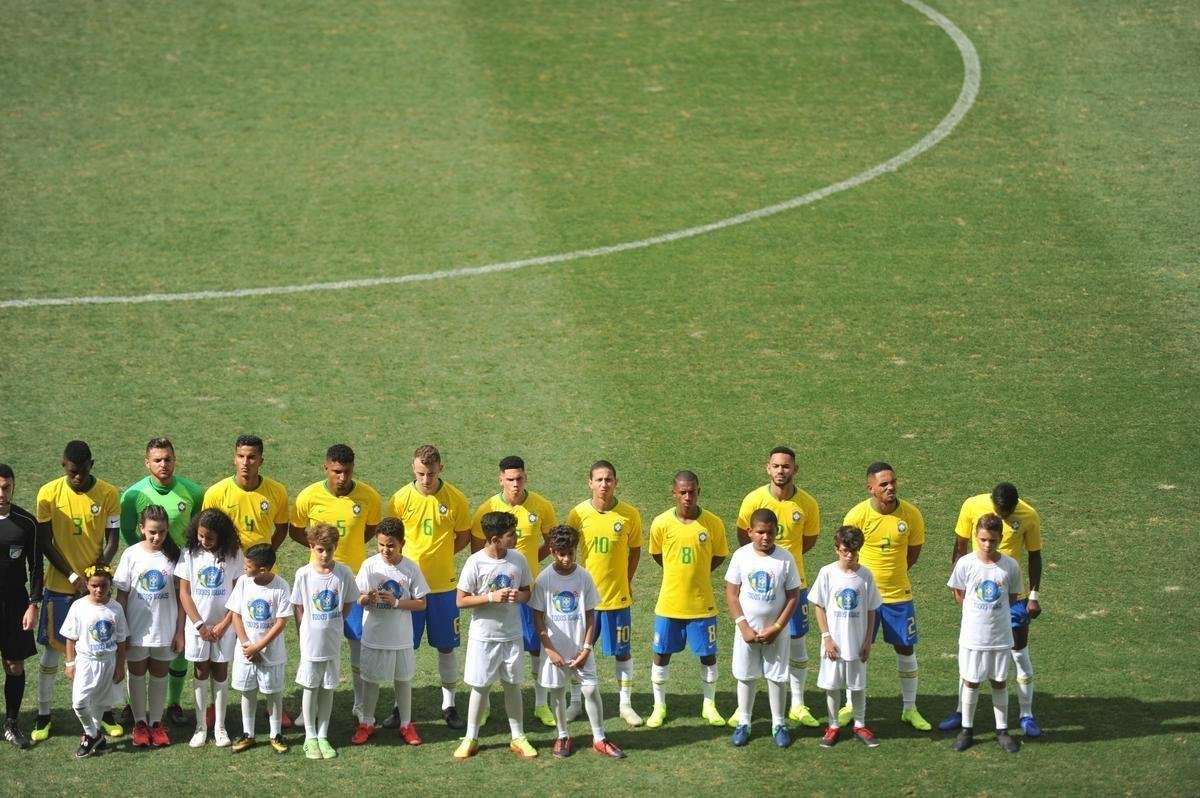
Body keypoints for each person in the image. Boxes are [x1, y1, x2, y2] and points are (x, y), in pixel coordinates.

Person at [940, 483, 1044, 738]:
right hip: (978, 597)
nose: (1002, 518)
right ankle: (960, 712)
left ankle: (1026, 714)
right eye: (999, 512)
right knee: (970, 655)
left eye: (1007, 515)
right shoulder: (972, 505)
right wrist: (958, 585)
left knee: (1018, 653)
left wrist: (1033, 596)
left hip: (1013, 595)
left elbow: (1035, 555)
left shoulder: (1028, 515)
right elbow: (960, 544)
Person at [34, 441, 121, 743]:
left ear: (91, 465)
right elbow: (45, 542)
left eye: (83, 472)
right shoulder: (48, 493)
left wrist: (96, 572)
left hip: (95, 589)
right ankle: (43, 715)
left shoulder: (109, 493)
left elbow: (112, 539)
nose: (78, 478)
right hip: (59, 587)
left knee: (103, 650)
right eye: (73, 472)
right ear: (63, 466)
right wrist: (74, 576)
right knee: (51, 653)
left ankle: (105, 713)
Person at [290, 443, 381, 726]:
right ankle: (308, 709)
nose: (342, 478)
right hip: (317, 586)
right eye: (336, 472)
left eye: (347, 472)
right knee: (312, 650)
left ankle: (359, 704)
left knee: (357, 647)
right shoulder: (309, 496)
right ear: (326, 468)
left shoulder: (368, 496)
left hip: (352, 583)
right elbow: (297, 530)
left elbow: (369, 530)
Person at [119, 437, 204, 727]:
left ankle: (174, 702)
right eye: (157, 460)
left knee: (177, 639)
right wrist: (151, 554)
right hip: (149, 574)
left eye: (168, 459)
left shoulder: (193, 492)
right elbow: (129, 533)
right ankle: (134, 707)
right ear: (147, 462)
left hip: (181, 575)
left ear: (175, 459)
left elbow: (198, 533)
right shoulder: (133, 495)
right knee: (140, 643)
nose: (163, 465)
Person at [736, 446, 822, 727]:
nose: (781, 471)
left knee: (797, 643)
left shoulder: (807, 504)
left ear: (795, 469)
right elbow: (742, 538)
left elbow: (808, 541)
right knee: (750, 646)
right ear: (768, 468)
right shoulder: (753, 500)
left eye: (786, 466)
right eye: (776, 466)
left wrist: (785, 568)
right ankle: (745, 711)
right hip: (757, 589)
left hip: (794, 585)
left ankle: (797, 703)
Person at [841, 462, 930, 730]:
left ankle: (910, 708)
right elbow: (847, 554)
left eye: (892, 482)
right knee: (856, 651)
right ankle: (850, 706)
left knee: (905, 647)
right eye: (883, 484)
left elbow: (913, 552)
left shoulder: (911, 515)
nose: (890, 487)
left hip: (898, 595)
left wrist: (895, 574)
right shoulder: (857, 516)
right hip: (864, 597)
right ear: (871, 488)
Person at [387, 444, 471, 730]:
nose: (426, 479)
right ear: (413, 468)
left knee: (446, 647)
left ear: (440, 470)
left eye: (431, 473)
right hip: (408, 589)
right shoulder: (399, 500)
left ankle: (449, 705)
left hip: (443, 587)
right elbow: (392, 538)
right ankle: (399, 708)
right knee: (404, 648)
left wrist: (443, 556)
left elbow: (462, 536)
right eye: (421, 473)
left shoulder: (455, 499)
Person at [470, 455, 556, 727]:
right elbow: (478, 549)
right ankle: (483, 706)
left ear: (525, 477)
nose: (515, 484)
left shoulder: (541, 506)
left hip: (528, 591)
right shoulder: (487, 509)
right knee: (490, 649)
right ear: (501, 480)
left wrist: (528, 565)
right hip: (494, 595)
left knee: (535, 646)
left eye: (519, 478)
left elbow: (550, 542)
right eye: (510, 480)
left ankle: (541, 705)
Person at [530, 524, 625, 759]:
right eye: (562, 554)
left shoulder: (584, 576)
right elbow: (538, 618)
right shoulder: (544, 580)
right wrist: (550, 650)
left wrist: (586, 648)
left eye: (571, 553)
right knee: (558, 693)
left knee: (591, 690)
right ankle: (562, 736)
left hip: (581, 648)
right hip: (555, 651)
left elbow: (591, 614)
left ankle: (599, 738)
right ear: (552, 552)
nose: (566, 558)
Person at [646, 470, 730, 729]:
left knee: (708, 655)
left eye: (692, 491)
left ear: (698, 492)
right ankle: (659, 706)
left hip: (702, 605)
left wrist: (699, 574)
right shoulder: (661, 523)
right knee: (661, 654)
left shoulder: (712, 524)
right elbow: (657, 554)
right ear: (674, 493)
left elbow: (719, 555)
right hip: (669, 604)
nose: (687, 496)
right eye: (682, 492)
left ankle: (709, 704)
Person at [452, 511, 536, 761]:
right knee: (480, 687)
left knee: (513, 686)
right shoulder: (475, 563)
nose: (517, 537)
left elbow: (526, 592)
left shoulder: (518, 560)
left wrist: (517, 597)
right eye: (512, 534)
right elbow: (461, 600)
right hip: (484, 638)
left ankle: (518, 736)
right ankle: (471, 737)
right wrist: (491, 597)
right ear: (496, 539)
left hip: (511, 636)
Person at [565, 460, 643, 726]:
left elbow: (635, 550)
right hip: (585, 601)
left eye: (608, 479)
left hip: (617, 598)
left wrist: (627, 580)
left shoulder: (629, 515)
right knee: (578, 651)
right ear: (590, 483)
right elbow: (568, 553)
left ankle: (625, 704)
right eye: (598, 480)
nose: (604, 485)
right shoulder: (577, 514)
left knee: (623, 651)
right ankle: (575, 702)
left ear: (616, 482)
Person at [724, 508, 801, 748]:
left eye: (770, 532)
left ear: (776, 531)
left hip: (776, 632)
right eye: (760, 532)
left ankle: (779, 723)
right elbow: (732, 593)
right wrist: (743, 626)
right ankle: (744, 722)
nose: (765, 537)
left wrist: (777, 627)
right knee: (746, 676)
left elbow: (793, 596)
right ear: (750, 532)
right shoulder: (741, 556)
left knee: (777, 676)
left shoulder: (785, 558)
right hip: (747, 632)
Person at [946, 514, 1023, 753]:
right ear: (975, 538)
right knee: (971, 680)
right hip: (973, 636)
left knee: (999, 681)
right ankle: (967, 729)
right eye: (982, 539)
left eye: (992, 540)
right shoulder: (966, 564)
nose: (987, 544)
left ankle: (1002, 730)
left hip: (1000, 637)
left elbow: (1012, 597)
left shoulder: (1010, 565)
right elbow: (959, 594)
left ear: (1000, 538)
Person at [351, 517, 429, 747]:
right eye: (382, 544)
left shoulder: (410, 568)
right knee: (370, 680)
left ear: (402, 543)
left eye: (391, 545)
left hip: (401, 637)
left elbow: (422, 603)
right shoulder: (369, 565)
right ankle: (366, 723)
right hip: (374, 635)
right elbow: (359, 598)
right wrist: (369, 598)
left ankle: (406, 724)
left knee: (403, 680)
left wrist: (396, 603)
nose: (386, 550)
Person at [114, 505, 183, 748]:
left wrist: (180, 631)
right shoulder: (131, 555)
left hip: (164, 630)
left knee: (159, 675)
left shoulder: (177, 555)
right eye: (152, 531)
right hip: (136, 629)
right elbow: (121, 596)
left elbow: (183, 597)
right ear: (141, 528)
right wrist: (122, 631)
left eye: (162, 532)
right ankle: (140, 723)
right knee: (136, 674)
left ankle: (156, 723)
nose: (157, 537)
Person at [809, 525, 882, 749]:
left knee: (857, 685)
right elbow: (819, 606)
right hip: (834, 643)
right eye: (844, 551)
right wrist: (826, 637)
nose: (849, 556)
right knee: (832, 685)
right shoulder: (827, 573)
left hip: (857, 641)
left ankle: (859, 724)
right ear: (836, 549)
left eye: (853, 551)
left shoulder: (865, 575)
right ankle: (832, 725)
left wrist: (868, 640)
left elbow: (871, 609)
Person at [292, 522, 360, 760]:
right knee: (311, 687)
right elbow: (298, 605)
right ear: (311, 547)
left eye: (329, 549)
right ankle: (309, 736)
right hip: (311, 641)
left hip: (331, 640)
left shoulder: (343, 573)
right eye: (320, 549)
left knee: (328, 687)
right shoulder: (303, 574)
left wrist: (338, 620)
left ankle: (323, 734)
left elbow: (350, 600)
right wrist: (303, 630)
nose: (325, 554)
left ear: (335, 547)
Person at [177, 508, 243, 748]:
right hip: (198, 627)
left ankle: (220, 727)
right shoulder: (189, 554)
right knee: (201, 671)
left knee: (220, 671)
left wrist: (225, 624)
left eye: (210, 538)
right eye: (200, 536)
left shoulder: (235, 555)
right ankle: (200, 726)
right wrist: (199, 625)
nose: (203, 541)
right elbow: (184, 592)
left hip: (225, 626)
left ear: (222, 537)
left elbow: (239, 592)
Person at [226, 544, 291, 754]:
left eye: (247, 566)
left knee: (273, 694)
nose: (244, 569)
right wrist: (247, 645)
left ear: (262, 569)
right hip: (246, 653)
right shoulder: (244, 583)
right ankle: (248, 733)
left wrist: (259, 647)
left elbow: (280, 622)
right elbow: (236, 614)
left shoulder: (281, 586)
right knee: (248, 692)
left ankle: (275, 733)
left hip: (270, 655)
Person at [60, 565, 127, 758]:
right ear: (87, 585)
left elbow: (121, 639)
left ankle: (95, 740)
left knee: (100, 701)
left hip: (108, 662)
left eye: (103, 586)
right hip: (86, 662)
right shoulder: (79, 606)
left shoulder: (115, 608)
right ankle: (93, 734)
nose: (99, 590)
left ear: (109, 585)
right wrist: (70, 663)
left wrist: (120, 665)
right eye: (94, 585)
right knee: (79, 702)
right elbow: (70, 638)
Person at [0, 464, 41, 749]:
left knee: (14, 665)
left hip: (15, 604)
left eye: (6, 487)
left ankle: (11, 723)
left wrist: (33, 604)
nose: (1, 493)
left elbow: (36, 567)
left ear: (14, 486)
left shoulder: (26, 523)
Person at [202, 435, 290, 555]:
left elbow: (282, 529)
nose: (245, 462)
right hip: (228, 566)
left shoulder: (277, 491)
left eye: (251, 457)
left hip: (262, 569)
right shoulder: (215, 493)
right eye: (240, 456)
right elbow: (206, 531)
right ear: (234, 459)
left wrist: (265, 556)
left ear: (261, 461)